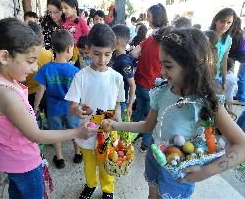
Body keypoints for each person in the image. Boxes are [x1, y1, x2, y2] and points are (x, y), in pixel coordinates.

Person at [101, 27, 245, 199]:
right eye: (162, 64)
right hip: (154, 157)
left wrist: (205, 171)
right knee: (153, 195)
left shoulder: (205, 101)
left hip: (179, 167)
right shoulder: (163, 91)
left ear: (191, 65)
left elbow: (241, 145)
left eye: (168, 66)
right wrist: (115, 125)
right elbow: (148, 125)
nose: (162, 72)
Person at [0, 18, 95, 199]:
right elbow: (36, 135)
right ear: (4, 57)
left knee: (17, 192)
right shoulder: (5, 94)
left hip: (10, 160)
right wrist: (77, 132)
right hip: (24, 163)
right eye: (30, 61)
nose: (35, 67)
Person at [65, 23, 125, 199]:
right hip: (87, 130)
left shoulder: (117, 78)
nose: (102, 59)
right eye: (97, 54)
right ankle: (90, 184)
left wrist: (118, 121)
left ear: (113, 51)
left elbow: (117, 104)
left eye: (107, 54)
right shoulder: (81, 76)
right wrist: (78, 111)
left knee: (107, 163)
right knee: (89, 164)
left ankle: (108, 189)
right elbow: (73, 105)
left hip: (108, 130)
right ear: (88, 49)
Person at [34, 29, 82, 168]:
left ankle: (59, 158)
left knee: (56, 133)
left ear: (53, 48)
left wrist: (36, 107)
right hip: (71, 108)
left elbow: (40, 89)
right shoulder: (75, 71)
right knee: (74, 130)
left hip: (53, 108)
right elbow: (79, 92)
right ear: (69, 48)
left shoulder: (46, 69)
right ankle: (78, 153)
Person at [131, 3, 168, 152]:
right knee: (150, 116)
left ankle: (131, 136)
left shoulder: (149, 40)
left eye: (149, 15)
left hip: (140, 81)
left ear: (157, 18)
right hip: (154, 86)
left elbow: (133, 53)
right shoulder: (166, 43)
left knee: (139, 111)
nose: (147, 18)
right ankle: (146, 143)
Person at [25, 22, 53, 110]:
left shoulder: (22, 53)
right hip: (44, 93)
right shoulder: (47, 53)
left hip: (26, 94)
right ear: (41, 37)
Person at [111, 24, 136, 118]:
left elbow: (132, 84)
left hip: (120, 102)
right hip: (112, 99)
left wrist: (130, 106)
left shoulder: (124, 62)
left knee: (117, 127)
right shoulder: (114, 56)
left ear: (117, 41)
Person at [210, 8, 236, 92]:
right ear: (216, 21)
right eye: (222, 21)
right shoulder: (206, 35)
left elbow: (224, 60)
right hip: (201, 76)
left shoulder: (228, 40)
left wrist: (224, 81)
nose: (225, 25)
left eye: (229, 22)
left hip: (216, 77)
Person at [228, 17, 245, 106]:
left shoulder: (231, 34)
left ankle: (240, 97)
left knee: (240, 77)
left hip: (228, 59)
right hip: (233, 60)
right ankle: (231, 97)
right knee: (231, 78)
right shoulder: (240, 34)